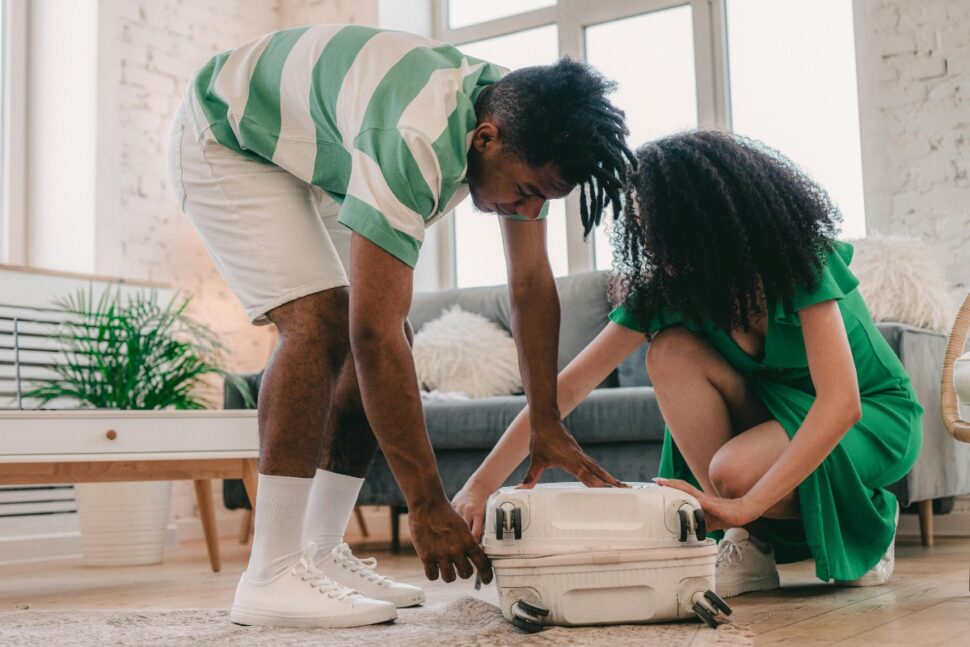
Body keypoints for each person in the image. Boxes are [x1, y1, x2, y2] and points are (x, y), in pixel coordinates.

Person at [167, 24, 631, 628]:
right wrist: (426, 503)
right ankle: (270, 574)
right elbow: (367, 335)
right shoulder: (415, 137)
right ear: (485, 140)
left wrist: (544, 419)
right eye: (523, 192)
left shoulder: (518, 112)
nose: (528, 211)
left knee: (394, 336)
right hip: (224, 133)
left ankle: (319, 552)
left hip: (313, 152)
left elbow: (530, 285)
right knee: (323, 324)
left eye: (543, 200)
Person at [453, 131, 922, 598]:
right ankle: (749, 545)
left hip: (871, 413)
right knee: (670, 350)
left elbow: (841, 404)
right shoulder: (672, 286)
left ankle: (869, 520)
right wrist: (479, 486)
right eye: (646, 233)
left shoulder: (798, 261)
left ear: (714, 222)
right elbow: (566, 389)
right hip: (776, 411)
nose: (658, 251)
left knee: (734, 473)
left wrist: (743, 505)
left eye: (667, 234)